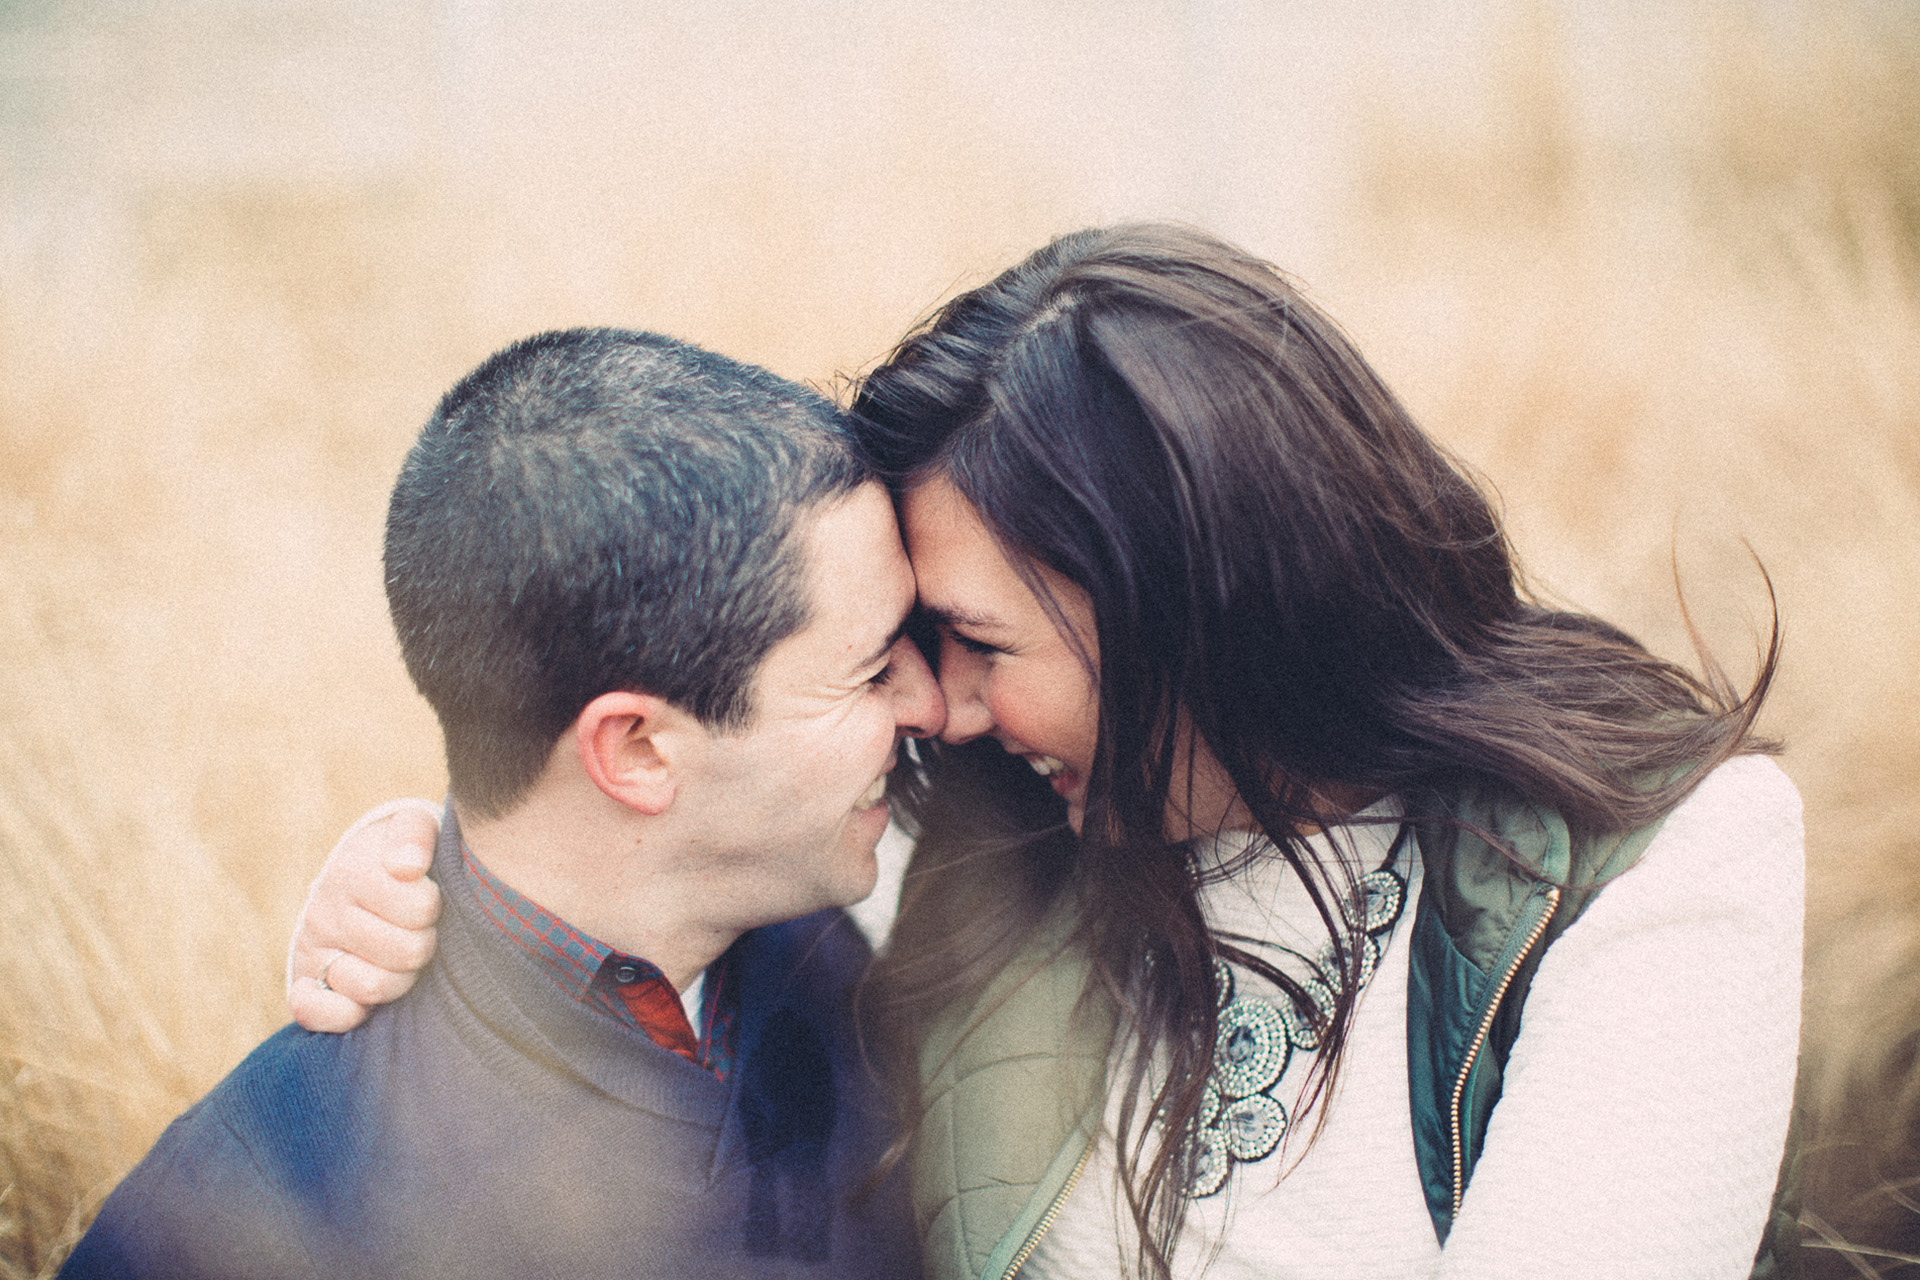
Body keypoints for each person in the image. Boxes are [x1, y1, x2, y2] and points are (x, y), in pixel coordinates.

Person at [292, 226, 1804, 1280]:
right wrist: (421, 863)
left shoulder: (1657, 866)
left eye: (979, 646)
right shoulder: (997, 832)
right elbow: (655, 827)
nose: (939, 712)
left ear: (1196, 611)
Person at [62, 328, 939, 1280]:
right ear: (636, 750)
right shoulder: (244, 1223)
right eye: (869, 672)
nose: (932, 705)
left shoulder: (824, 940)